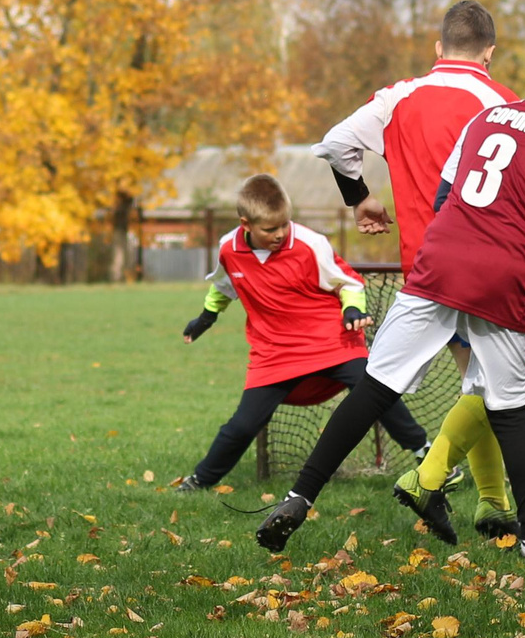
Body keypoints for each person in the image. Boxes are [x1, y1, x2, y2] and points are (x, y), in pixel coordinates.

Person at [257, 36, 525, 560]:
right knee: (508, 411)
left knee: (372, 389)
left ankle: (298, 499)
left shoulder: (484, 121)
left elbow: (444, 197)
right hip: (499, 278)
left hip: (437, 261)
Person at [316, 0, 514, 531]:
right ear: (489, 54)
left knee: (478, 383)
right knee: (489, 388)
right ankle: (432, 480)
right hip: (484, 269)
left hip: (424, 268)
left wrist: (360, 197)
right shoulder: (502, 103)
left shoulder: (399, 96)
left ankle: (493, 506)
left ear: (438, 47)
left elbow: (336, 144)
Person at [169, 175, 428, 491]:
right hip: (274, 353)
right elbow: (225, 286)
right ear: (245, 224)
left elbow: (348, 282)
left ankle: (424, 454)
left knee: (375, 391)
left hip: (332, 342)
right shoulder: (229, 249)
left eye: (283, 225)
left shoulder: (311, 243)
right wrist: (205, 319)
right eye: (270, 229)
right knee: (242, 425)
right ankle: (199, 480)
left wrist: (352, 310)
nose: (279, 234)